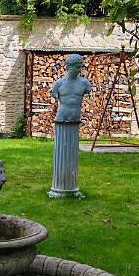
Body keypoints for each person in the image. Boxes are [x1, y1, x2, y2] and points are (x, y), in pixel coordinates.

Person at [48, 54, 91, 198]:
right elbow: (54, 95)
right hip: (62, 119)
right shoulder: (59, 84)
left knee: (71, 152)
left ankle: (71, 188)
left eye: (80, 66)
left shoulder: (84, 83)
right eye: (76, 66)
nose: (79, 69)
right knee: (62, 151)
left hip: (75, 120)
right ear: (68, 67)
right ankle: (59, 188)